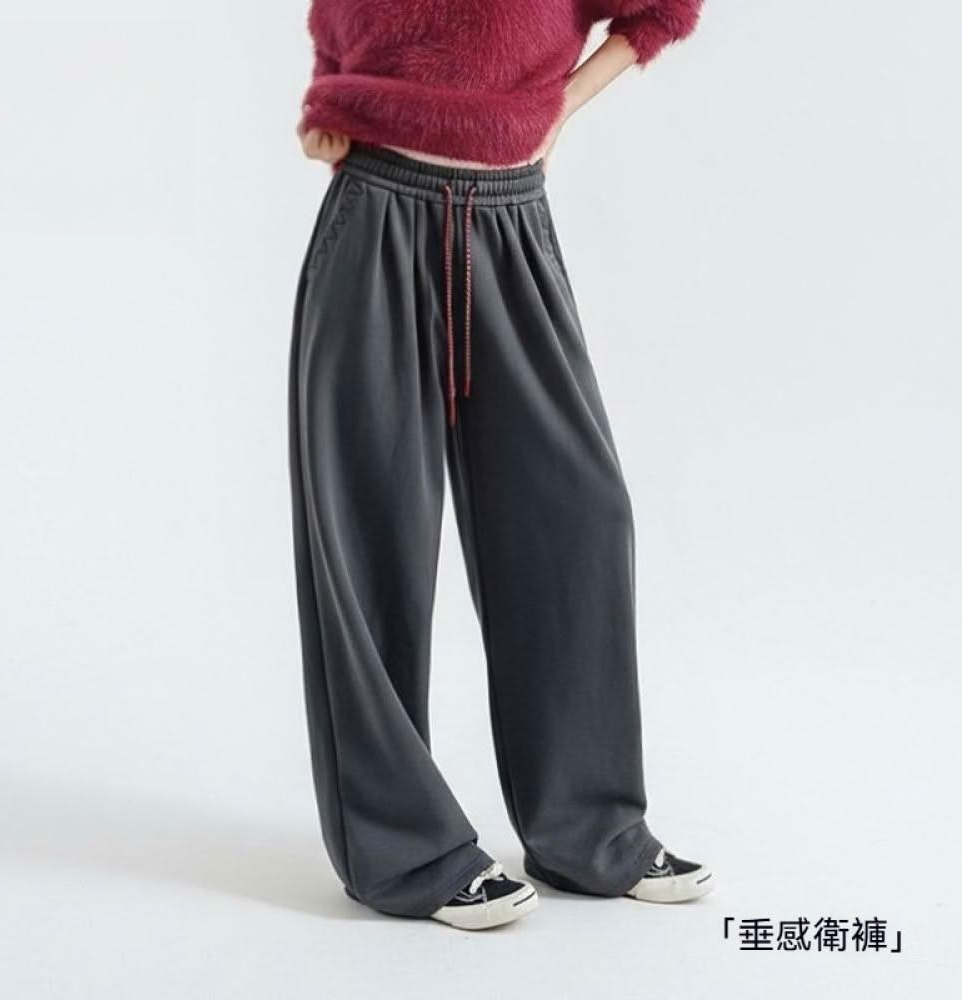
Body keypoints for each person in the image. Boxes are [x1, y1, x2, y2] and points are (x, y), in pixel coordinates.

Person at [288, 0, 712, 931]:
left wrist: (560, 106)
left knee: (578, 515)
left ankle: (588, 831)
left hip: (510, 220)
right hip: (375, 212)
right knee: (371, 530)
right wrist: (324, 103)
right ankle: (401, 851)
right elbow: (334, 28)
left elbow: (662, 12)